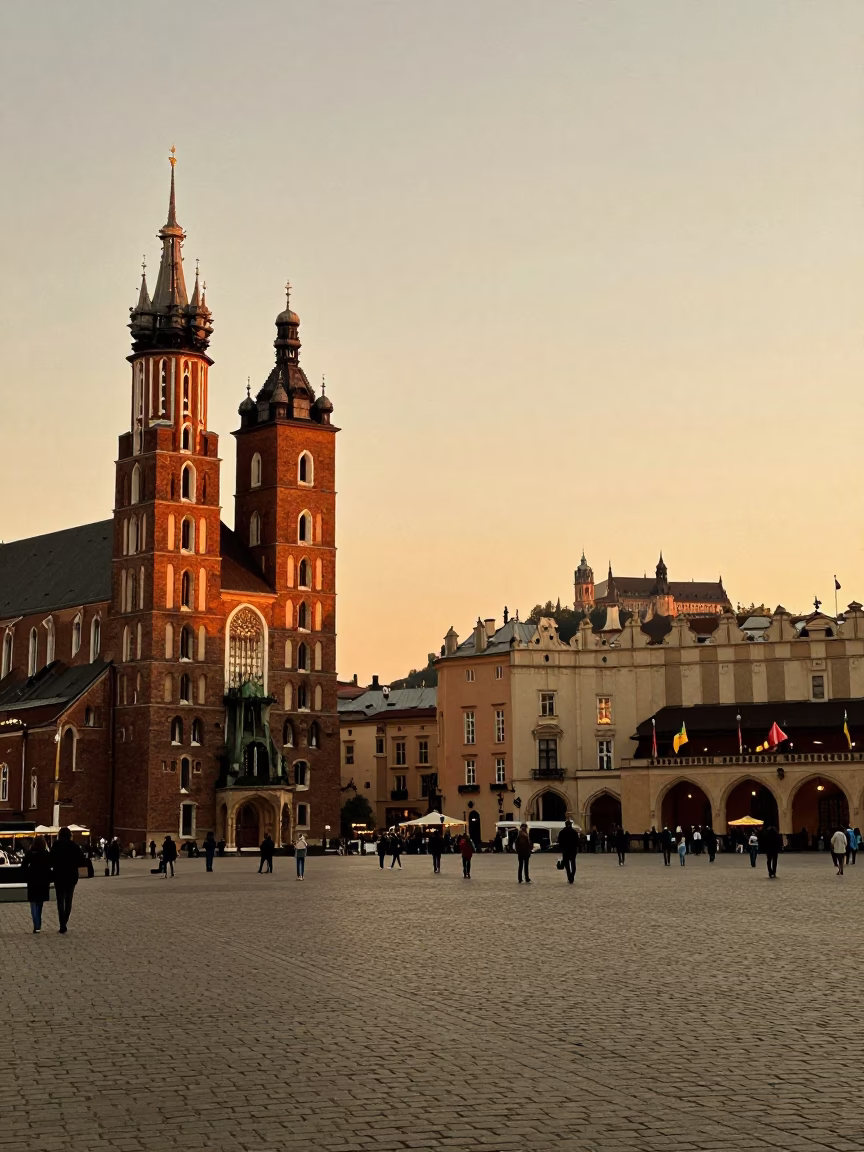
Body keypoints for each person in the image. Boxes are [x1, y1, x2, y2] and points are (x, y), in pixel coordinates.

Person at [50, 827, 87, 933]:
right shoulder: (74, 846)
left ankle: (62, 923)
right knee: (69, 899)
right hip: (71, 876)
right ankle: (64, 922)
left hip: (59, 876)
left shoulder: (56, 845)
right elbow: (81, 860)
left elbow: (51, 859)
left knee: (60, 901)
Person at [21, 835, 52, 934]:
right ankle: (38, 923)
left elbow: (24, 865)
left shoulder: (31, 853)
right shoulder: (46, 854)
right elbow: (50, 865)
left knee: (33, 902)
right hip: (43, 881)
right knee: (40, 903)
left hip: (32, 880)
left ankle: (36, 924)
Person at [557, 818, 579, 884]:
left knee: (567, 865)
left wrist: (562, 847)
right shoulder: (574, 832)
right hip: (572, 850)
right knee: (573, 864)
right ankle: (571, 877)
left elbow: (559, 841)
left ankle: (569, 878)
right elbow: (577, 842)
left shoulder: (562, 832)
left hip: (565, 850)